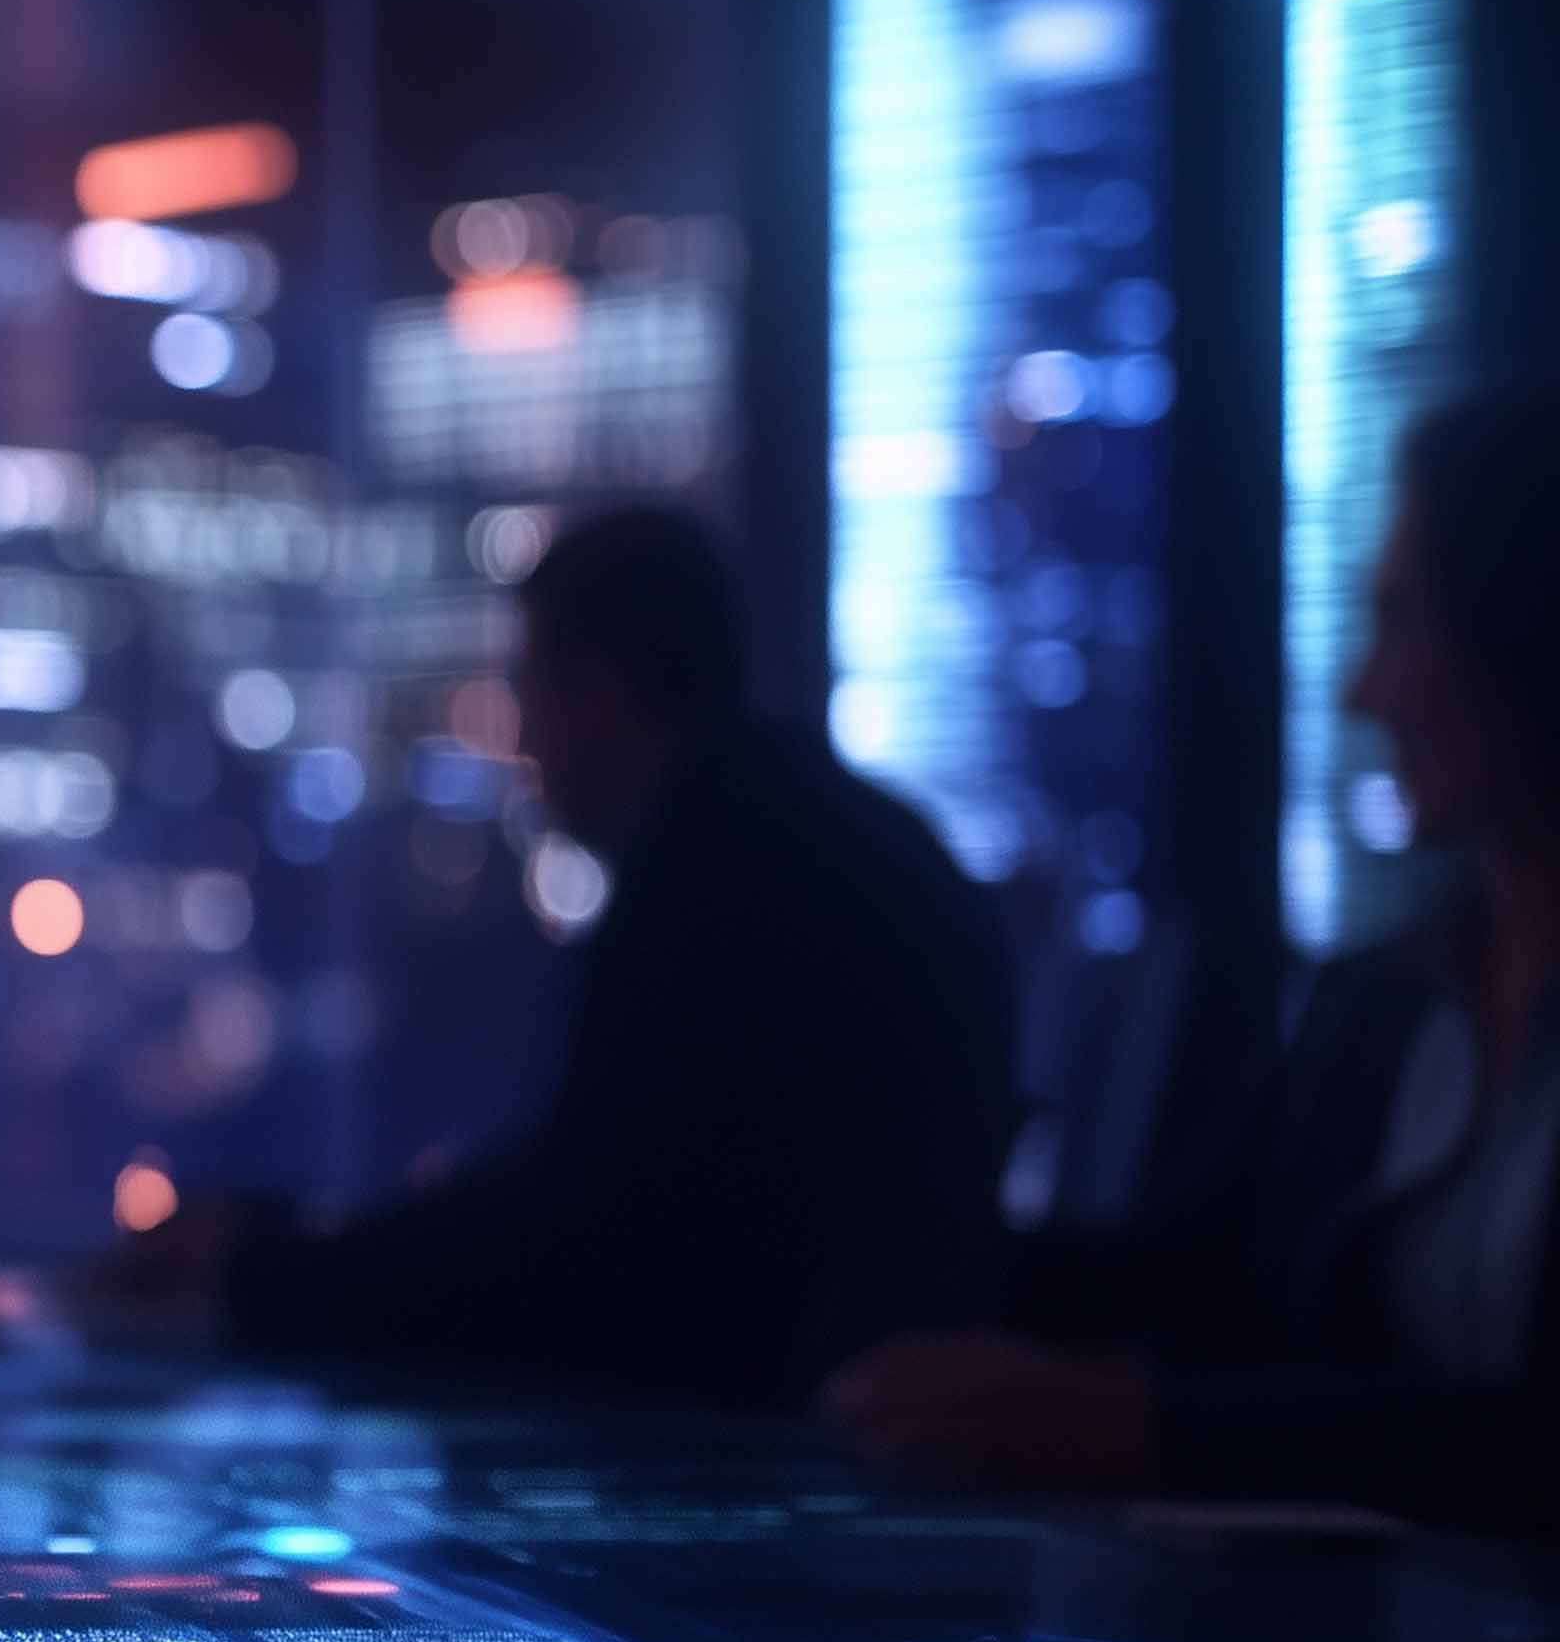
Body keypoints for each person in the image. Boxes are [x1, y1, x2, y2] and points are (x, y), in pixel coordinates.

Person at [829, 389, 1560, 1531]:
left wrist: (1156, 1433)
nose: (1362, 692)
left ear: (1525, 626)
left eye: (1403, 619)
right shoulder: (1387, 1001)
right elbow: (1202, 1276)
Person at [190, 504, 1016, 1405]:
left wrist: (260, 1271)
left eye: (528, 686)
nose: (522, 740)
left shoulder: (720, 870)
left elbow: (579, 1232)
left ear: (603, 689)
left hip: (801, 1423)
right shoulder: (793, 835)